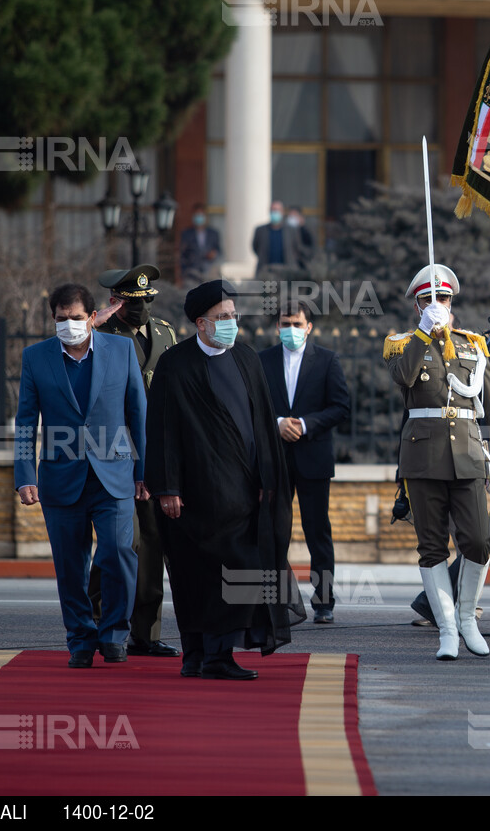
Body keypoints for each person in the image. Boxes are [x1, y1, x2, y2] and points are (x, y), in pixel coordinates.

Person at [145, 279, 305, 680]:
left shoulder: (247, 359)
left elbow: (262, 426)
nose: (232, 323)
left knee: (238, 568)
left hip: (242, 493)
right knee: (191, 575)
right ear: (201, 324)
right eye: (224, 318)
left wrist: (270, 477)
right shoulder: (175, 364)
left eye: (234, 316)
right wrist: (167, 487)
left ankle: (217, 654)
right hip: (191, 496)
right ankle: (198, 655)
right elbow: (161, 428)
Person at [14, 283, 147, 669]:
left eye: (75, 318)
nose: (68, 325)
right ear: (52, 319)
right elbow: (25, 422)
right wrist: (24, 474)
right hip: (60, 478)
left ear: (92, 317)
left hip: (115, 475)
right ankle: (80, 640)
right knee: (71, 566)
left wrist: (143, 471)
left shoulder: (120, 351)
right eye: (60, 319)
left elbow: (137, 413)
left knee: (119, 554)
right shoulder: (36, 358)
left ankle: (115, 634)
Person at [385, 264, 490, 660]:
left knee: (477, 541)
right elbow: (404, 378)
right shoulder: (402, 343)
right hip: (423, 456)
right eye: (428, 300)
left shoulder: (473, 344)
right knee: (432, 546)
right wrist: (424, 331)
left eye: (442, 298)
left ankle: (468, 618)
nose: (436, 305)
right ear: (417, 305)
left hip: (469, 455)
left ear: (452, 302)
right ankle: (448, 630)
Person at [87, 265, 180, 658]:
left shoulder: (166, 333)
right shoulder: (100, 336)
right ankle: (95, 622)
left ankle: (145, 632)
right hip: (114, 454)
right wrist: (93, 323)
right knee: (119, 545)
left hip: (155, 450)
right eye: (132, 302)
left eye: (146, 302)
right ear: (116, 302)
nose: (141, 309)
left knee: (154, 542)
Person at [259, 300, 351, 623]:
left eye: (297, 324)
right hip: (275, 461)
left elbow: (341, 407)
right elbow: (253, 407)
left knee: (318, 532)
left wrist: (306, 424)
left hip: (313, 458)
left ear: (309, 327)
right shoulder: (263, 361)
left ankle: (323, 602)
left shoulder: (326, 360)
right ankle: (276, 601)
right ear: (277, 327)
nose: (291, 330)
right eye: (285, 324)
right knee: (273, 531)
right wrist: (279, 422)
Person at [252, 200, 311, 277]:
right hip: (266, 273)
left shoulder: (291, 231)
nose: (275, 213)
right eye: (273, 210)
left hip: (287, 274)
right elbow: (255, 247)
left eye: (277, 210)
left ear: (282, 212)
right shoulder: (260, 230)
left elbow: (297, 248)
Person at [179, 204, 221, 282]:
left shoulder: (214, 233)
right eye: (196, 215)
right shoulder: (186, 234)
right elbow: (182, 255)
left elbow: (219, 251)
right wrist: (183, 274)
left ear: (205, 216)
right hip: (191, 274)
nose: (199, 217)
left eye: (201, 215)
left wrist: (214, 254)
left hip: (209, 273)